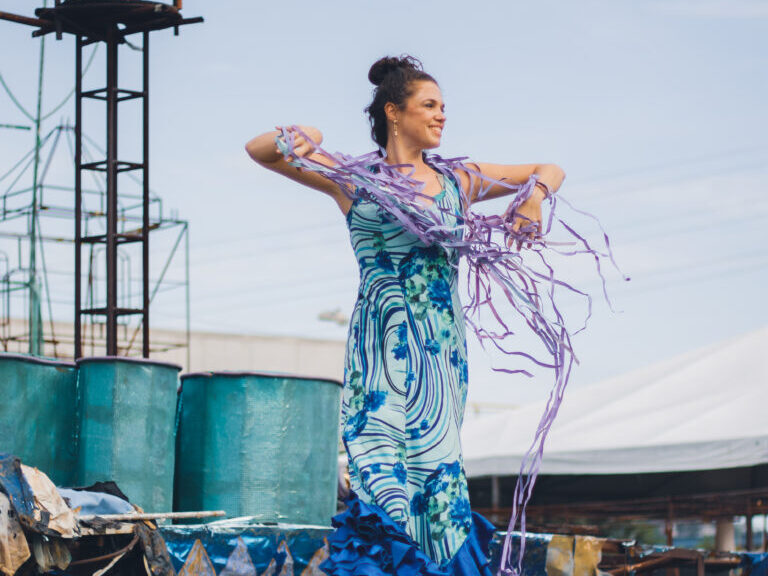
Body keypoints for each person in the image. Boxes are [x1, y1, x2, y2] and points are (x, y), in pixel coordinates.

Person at [246, 56, 565, 575]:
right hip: (376, 352)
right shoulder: (354, 179)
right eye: (430, 105)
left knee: (435, 480)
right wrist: (310, 132)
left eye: (444, 107)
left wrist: (534, 200)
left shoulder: (459, 180)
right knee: (378, 469)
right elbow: (259, 149)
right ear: (394, 112)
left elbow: (548, 169)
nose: (441, 116)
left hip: (439, 354)